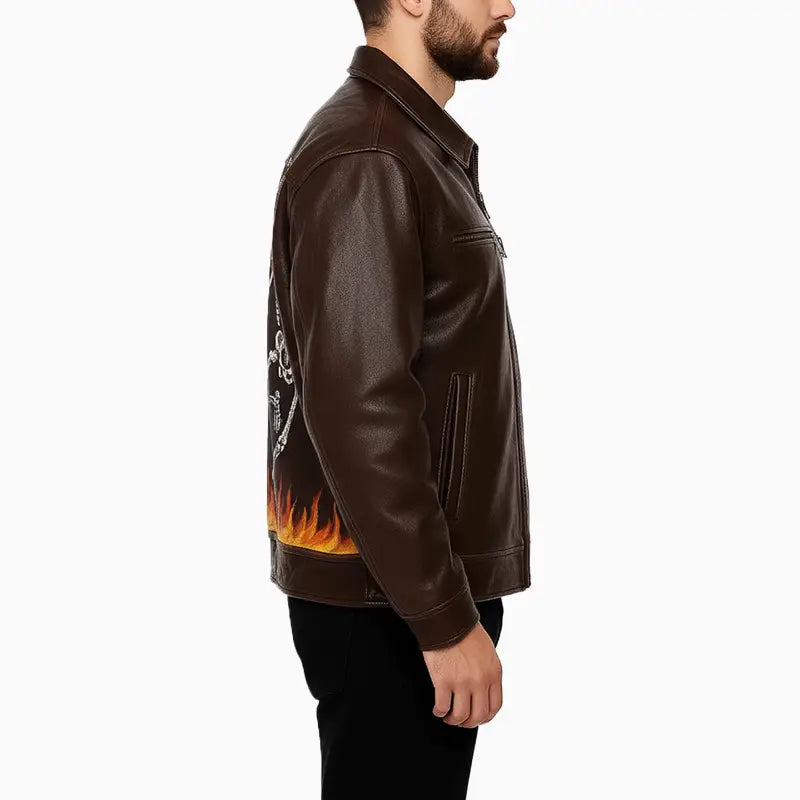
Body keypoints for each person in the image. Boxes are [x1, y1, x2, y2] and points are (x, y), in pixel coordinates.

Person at [266, 1, 528, 797]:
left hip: (402, 590)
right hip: (392, 605)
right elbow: (361, 408)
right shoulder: (372, 153)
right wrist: (444, 618)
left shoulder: (404, 144)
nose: (508, 6)